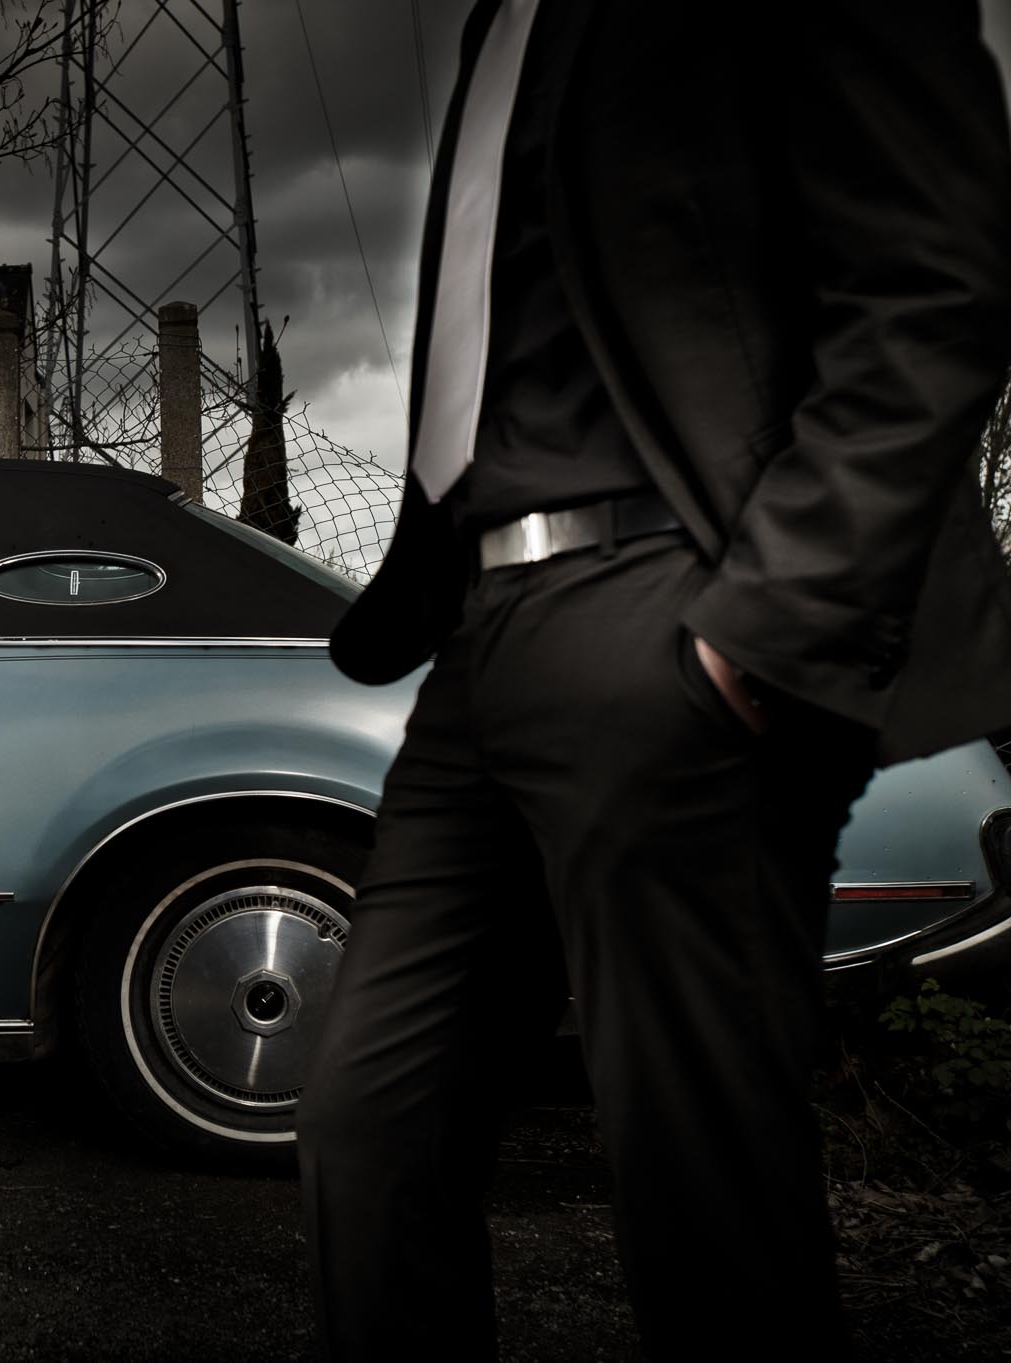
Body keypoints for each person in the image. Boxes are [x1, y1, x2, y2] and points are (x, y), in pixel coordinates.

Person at [294, 2, 1011, 1358]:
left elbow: (938, 278)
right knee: (366, 1124)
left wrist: (764, 623)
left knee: (702, 1194)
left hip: (670, 602)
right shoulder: (502, 22)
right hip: (482, 630)